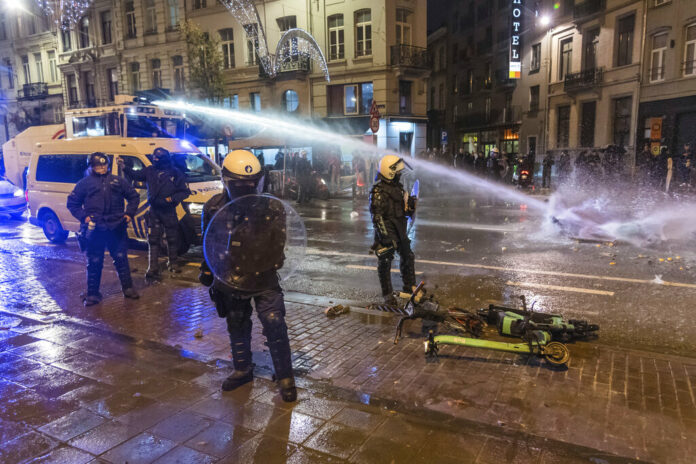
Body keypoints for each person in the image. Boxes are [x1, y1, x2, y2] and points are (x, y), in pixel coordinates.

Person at [198, 149, 296, 402]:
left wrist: (271, 261)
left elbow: (279, 243)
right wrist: (208, 270)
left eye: (252, 183)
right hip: (230, 277)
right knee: (236, 323)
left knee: (275, 323)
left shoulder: (271, 206)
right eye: (240, 185)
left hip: (264, 276)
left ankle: (285, 375)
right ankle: (242, 369)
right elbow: (209, 242)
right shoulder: (213, 207)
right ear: (227, 181)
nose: (247, 188)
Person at [67, 152, 140, 306]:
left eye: (103, 164)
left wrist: (129, 214)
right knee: (94, 261)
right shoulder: (84, 183)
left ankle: (128, 289)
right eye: (97, 165)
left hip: (116, 226)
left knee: (121, 258)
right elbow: (72, 203)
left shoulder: (118, 181)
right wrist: (84, 217)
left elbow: (133, 196)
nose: (101, 168)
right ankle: (93, 294)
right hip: (95, 228)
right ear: (91, 167)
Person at [118, 148, 189, 281]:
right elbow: (136, 175)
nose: (155, 160)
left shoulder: (175, 172)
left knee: (172, 238)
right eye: (154, 158)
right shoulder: (150, 170)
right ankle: (153, 267)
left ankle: (173, 263)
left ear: (164, 159)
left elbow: (184, 192)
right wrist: (124, 167)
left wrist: (172, 199)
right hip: (154, 210)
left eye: (157, 158)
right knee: (153, 239)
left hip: (168, 210)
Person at [369, 155, 417, 305]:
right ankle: (387, 295)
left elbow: (403, 212)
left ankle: (409, 288)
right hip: (387, 230)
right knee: (385, 260)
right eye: (397, 172)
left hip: (400, 228)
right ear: (389, 172)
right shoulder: (378, 191)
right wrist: (385, 237)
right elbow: (377, 217)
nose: (399, 174)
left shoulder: (398, 188)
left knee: (408, 256)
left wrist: (410, 207)